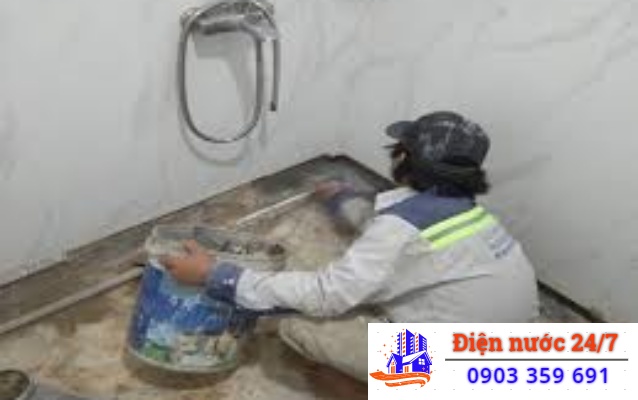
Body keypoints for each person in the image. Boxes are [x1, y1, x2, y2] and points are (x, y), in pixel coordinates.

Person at [162, 111, 540, 381]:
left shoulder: (399, 227)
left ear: (404, 157)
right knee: (367, 284)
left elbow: (327, 295)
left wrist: (217, 276)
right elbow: (400, 241)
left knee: (297, 324)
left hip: (453, 369)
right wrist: (342, 199)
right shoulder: (466, 212)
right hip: (510, 355)